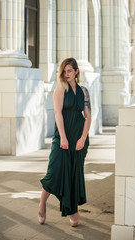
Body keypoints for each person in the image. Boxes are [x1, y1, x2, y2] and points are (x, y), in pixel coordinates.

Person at [38, 57, 91, 227]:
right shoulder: (61, 87)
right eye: (64, 71)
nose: (66, 74)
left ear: (76, 71)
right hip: (62, 137)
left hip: (79, 139)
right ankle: (42, 203)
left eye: (69, 70)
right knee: (55, 172)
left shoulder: (83, 91)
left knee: (74, 173)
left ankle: (73, 210)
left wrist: (83, 138)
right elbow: (58, 113)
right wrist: (63, 137)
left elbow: (88, 116)